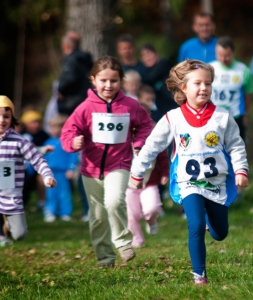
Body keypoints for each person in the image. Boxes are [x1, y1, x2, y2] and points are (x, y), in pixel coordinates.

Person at [130, 59, 249, 285]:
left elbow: (236, 145)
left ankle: (210, 223)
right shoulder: (172, 118)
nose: (204, 88)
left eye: (208, 83)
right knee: (194, 224)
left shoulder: (223, 117)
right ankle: (199, 275)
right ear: (184, 88)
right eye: (197, 83)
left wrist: (241, 169)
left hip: (217, 184)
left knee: (220, 233)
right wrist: (137, 173)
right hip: (188, 184)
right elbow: (151, 147)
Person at [60, 55, 152, 267]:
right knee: (98, 215)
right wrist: (73, 143)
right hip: (90, 168)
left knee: (113, 201)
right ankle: (105, 257)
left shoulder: (130, 105)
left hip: (118, 164)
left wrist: (138, 143)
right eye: (103, 80)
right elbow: (68, 132)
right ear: (93, 80)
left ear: (121, 81)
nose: (108, 85)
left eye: (114, 80)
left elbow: (145, 126)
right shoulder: (85, 108)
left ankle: (122, 242)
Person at [0, 96, 56, 274]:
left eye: (6, 116)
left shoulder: (19, 141)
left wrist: (47, 175)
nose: (1, 120)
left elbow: (37, 158)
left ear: (12, 119)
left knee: (20, 234)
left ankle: (8, 226)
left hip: (12, 195)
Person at [126, 105, 169, 248]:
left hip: (149, 182)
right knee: (132, 215)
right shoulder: (123, 137)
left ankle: (151, 220)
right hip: (128, 184)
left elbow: (162, 156)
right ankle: (137, 240)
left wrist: (164, 173)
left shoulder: (153, 136)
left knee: (152, 208)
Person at [209, 36, 253, 142]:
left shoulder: (243, 70)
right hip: (213, 117)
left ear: (233, 53)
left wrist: (245, 114)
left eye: (227, 56)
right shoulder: (210, 68)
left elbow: (248, 96)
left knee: (236, 153)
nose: (223, 59)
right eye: (220, 55)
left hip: (235, 118)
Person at [43, 114, 79, 222]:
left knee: (64, 194)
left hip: (63, 173)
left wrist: (71, 169)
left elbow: (73, 156)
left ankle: (65, 213)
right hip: (50, 173)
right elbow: (43, 158)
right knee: (51, 193)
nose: (52, 130)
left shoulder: (67, 141)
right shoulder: (48, 142)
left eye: (55, 127)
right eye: (51, 127)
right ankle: (50, 212)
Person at [57, 31, 94, 116]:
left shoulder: (70, 60)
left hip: (72, 102)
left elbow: (70, 78)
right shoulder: (87, 59)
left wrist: (61, 91)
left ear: (65, 45)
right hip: (87, 98)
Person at [20, 109, 50, 209]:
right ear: (26, 124)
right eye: (33, 122)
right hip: (23, 168)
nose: (36, 125)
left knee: (41, 178)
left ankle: (42, 203)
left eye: (38, 122)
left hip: (39, 167)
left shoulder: (43, 135)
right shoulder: (20, 135)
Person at [140, 44, 178, 115]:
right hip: (160, 109)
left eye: (149, 54)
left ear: (156, 53)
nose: (147, 57)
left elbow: (150, 78)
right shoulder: (145, 71)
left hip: (174, 105)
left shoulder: (164, 64)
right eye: (143, 55)